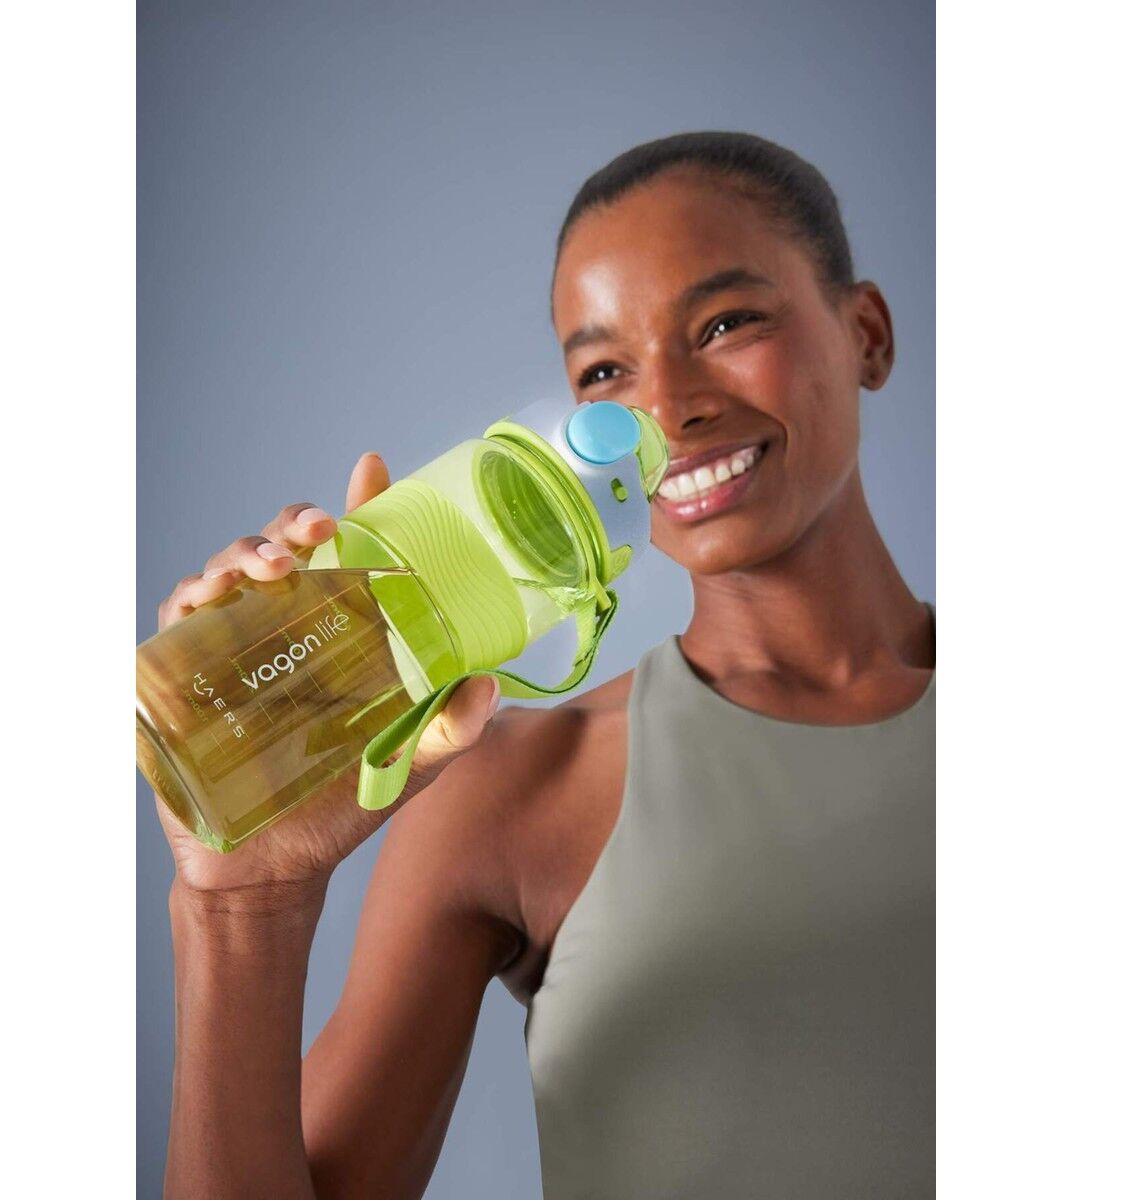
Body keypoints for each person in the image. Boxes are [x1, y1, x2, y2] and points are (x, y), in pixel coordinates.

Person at [153, 132, 935, 1199]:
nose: (667, 408)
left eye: (726, 324)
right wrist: (245, 907)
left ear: (867, 335)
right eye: (606, 372)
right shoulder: (514, 788)